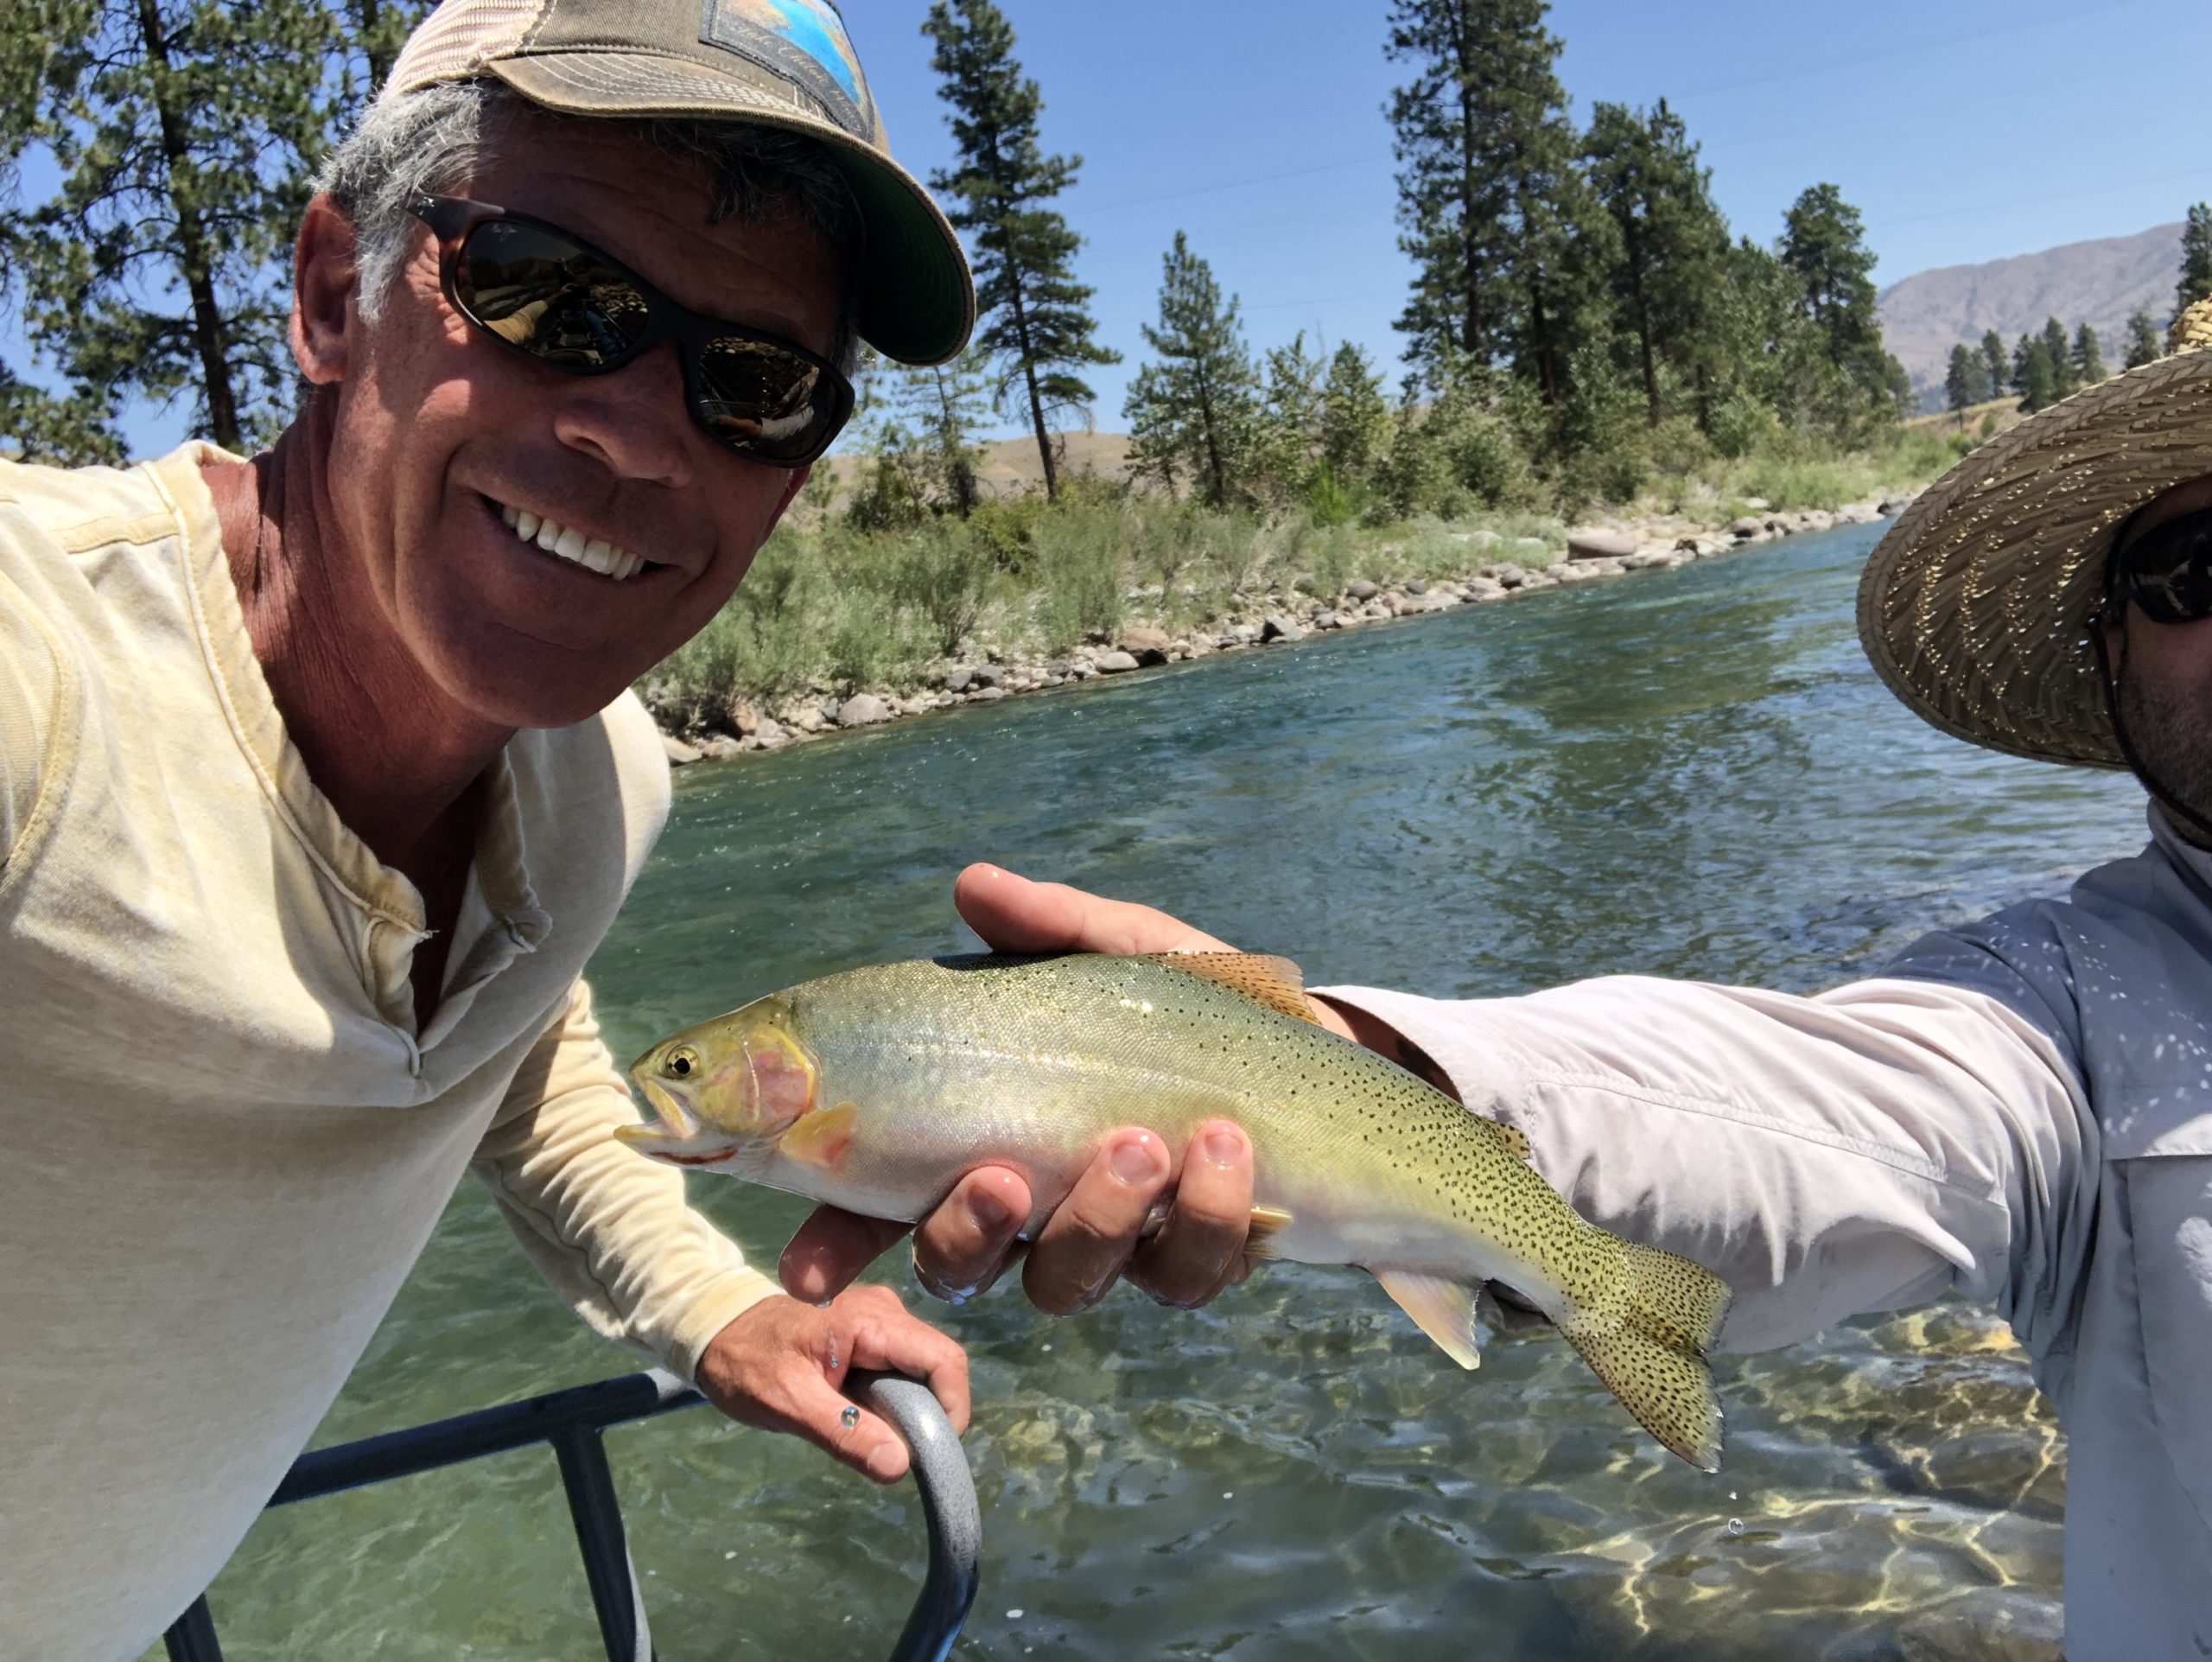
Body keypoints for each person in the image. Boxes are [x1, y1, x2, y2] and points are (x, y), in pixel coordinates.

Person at [0, 4, 1239, 1657]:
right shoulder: (44, 676)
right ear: (328, 296)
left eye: (757, 381)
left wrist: (715, 1306)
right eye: (549, 292)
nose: (640, 432)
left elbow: (511, 1058)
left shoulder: (605, 780)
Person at [791, 305, 2212, 1659]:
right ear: (2111, 652)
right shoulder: (2063, 1013)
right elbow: (1808, 1110)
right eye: (2198, 564)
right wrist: (1307, 1058)